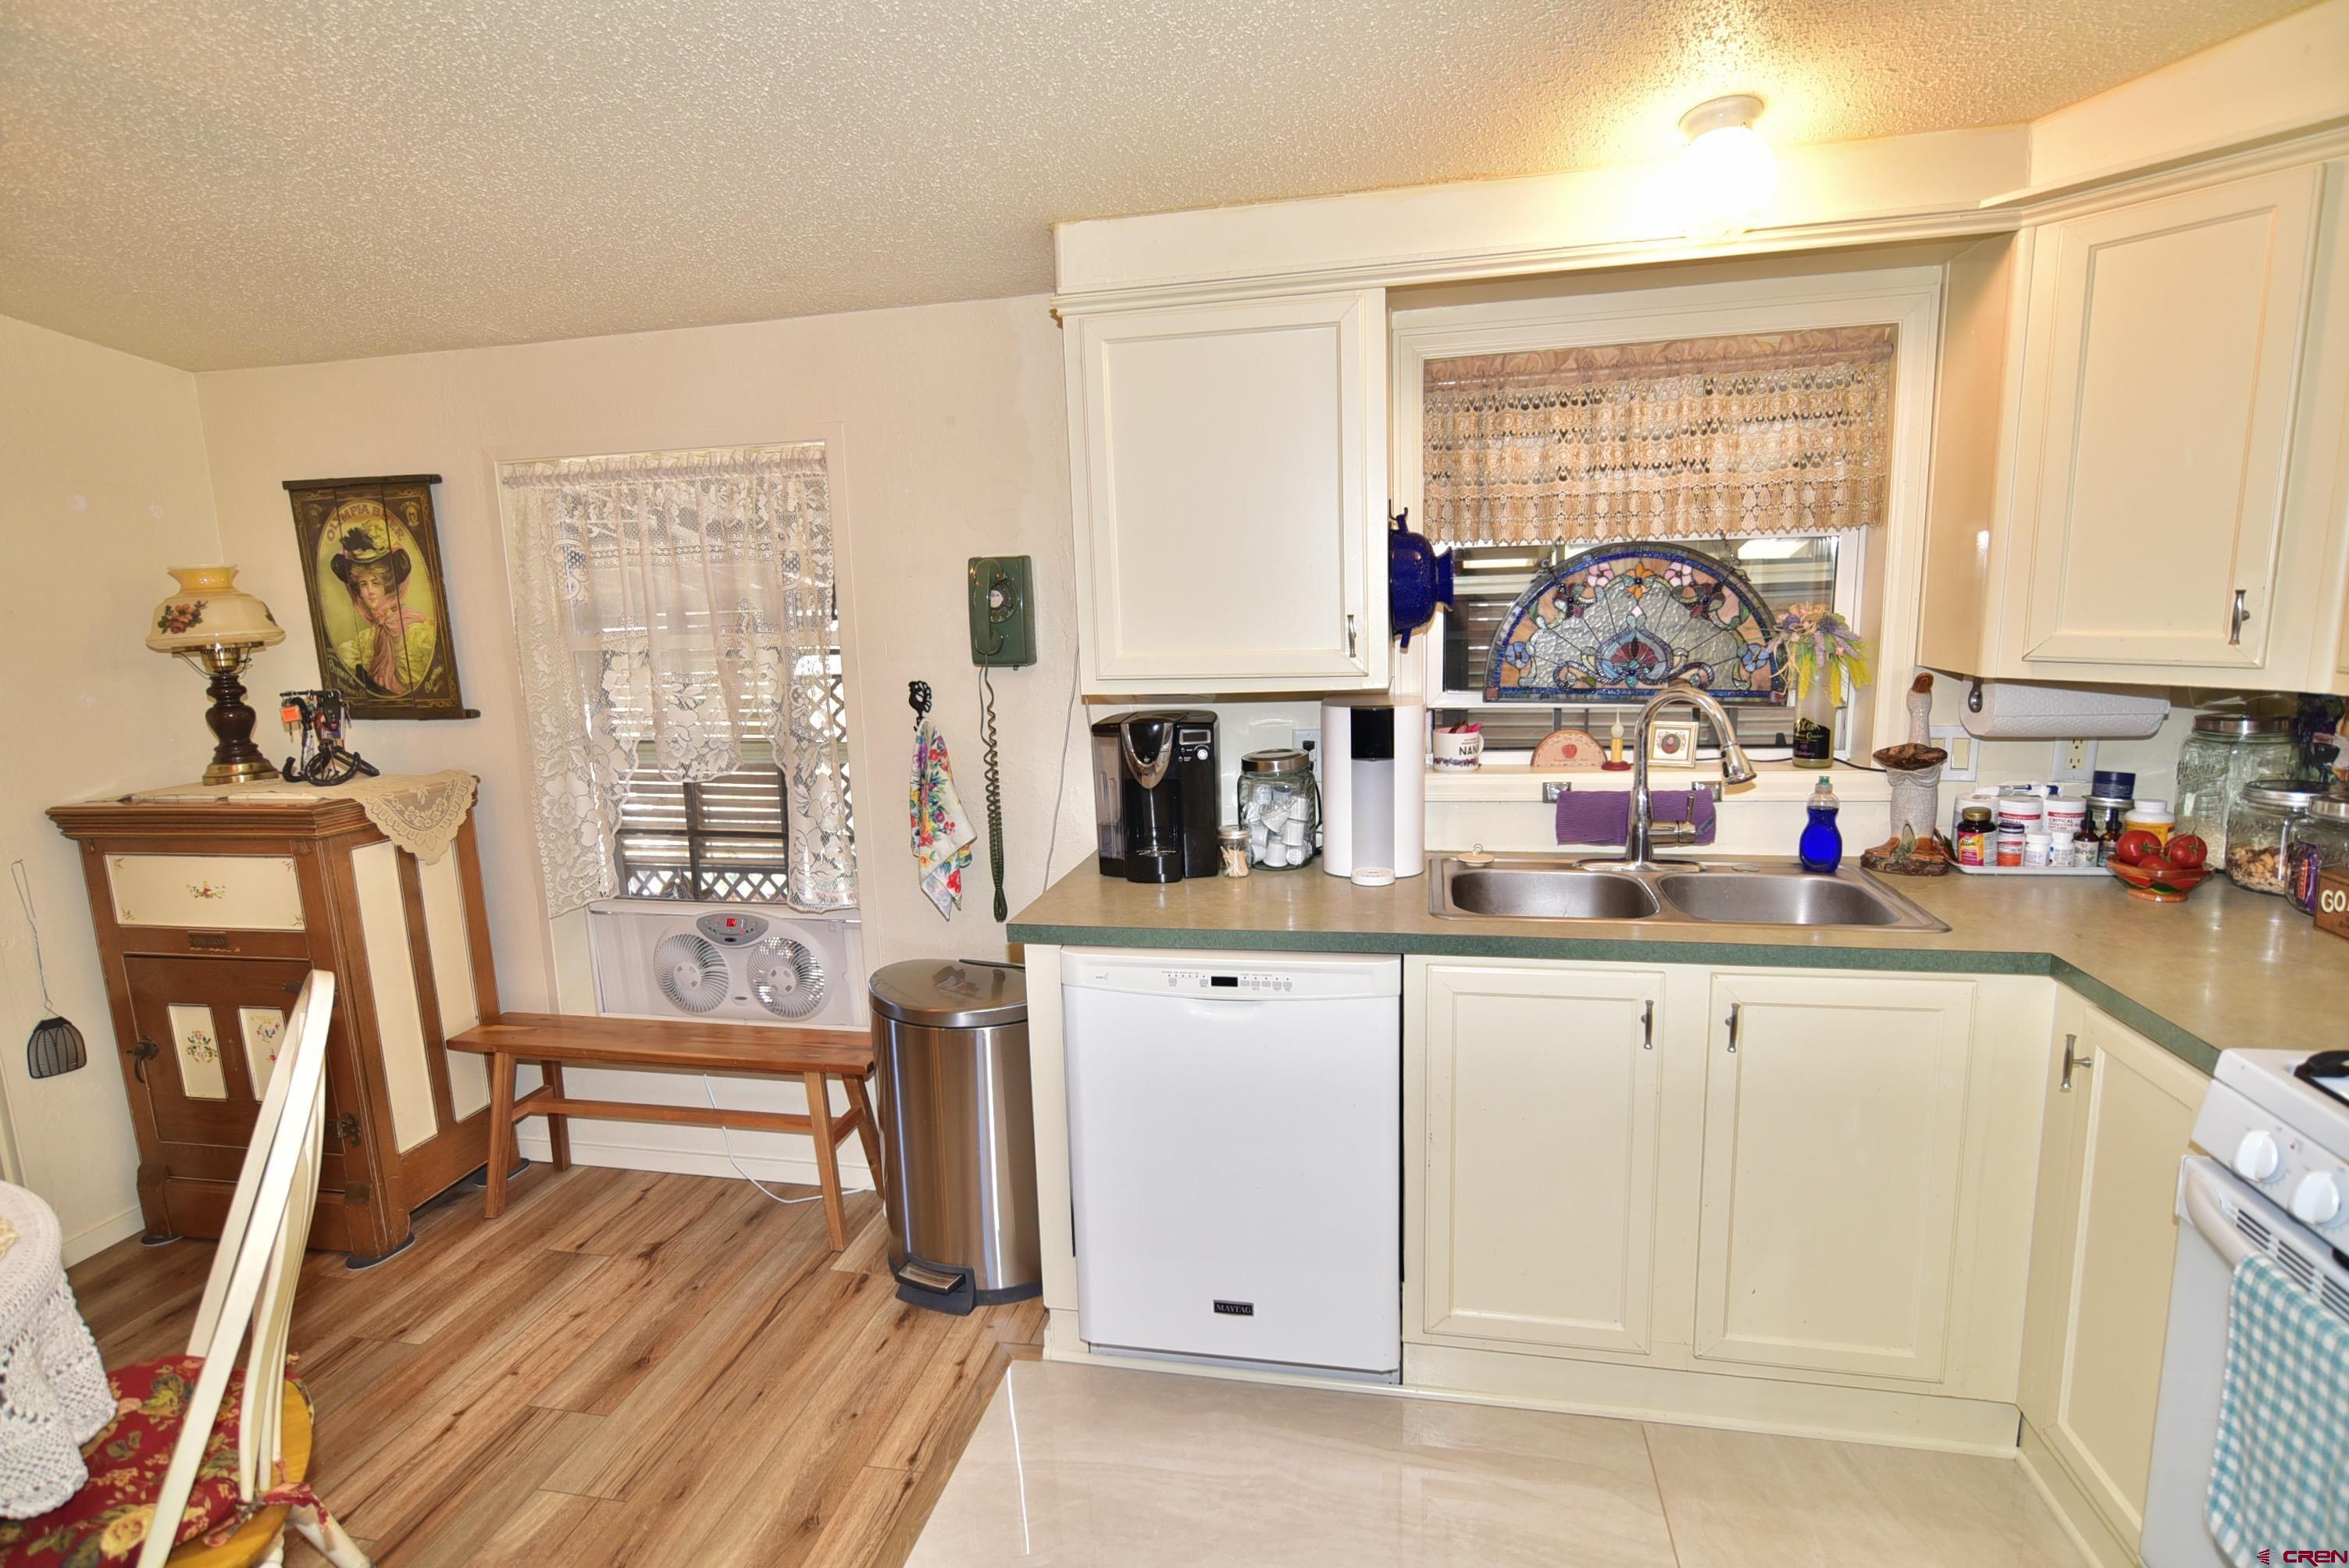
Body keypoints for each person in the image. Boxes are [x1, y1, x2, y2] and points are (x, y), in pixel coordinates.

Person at [326, 503, 436, 696]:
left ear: (388, 586)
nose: (370, 592)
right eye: (363, 584)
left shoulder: (416, 631)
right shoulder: (366, 641)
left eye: (375, 583)